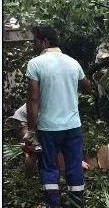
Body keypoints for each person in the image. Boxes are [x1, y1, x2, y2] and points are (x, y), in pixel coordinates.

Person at [24, 25, 91, 208]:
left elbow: (33, 99)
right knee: (74, 166)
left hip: (48, 129)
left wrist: (31, 130)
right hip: (72, 127)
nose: (35, 45)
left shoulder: (36, 64)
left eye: (36, 41)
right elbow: (87, 87)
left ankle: (54, 205)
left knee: (49, 168)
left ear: (44, 41)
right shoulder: (73, 62)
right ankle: (76, 205)